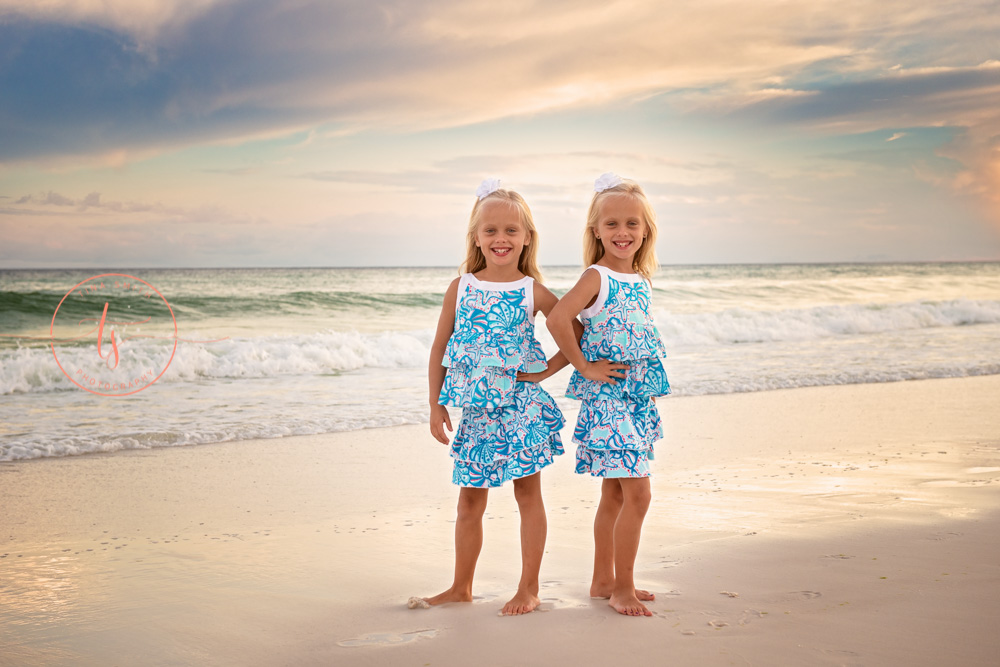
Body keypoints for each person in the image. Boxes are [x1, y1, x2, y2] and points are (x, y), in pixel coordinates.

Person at [419, 178, 576, 616]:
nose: (501, 239)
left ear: (527, 238)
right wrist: (436, 403)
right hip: (477, 415)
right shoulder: (461, 287)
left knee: (527, 495)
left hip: (522, 408)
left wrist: (546, 370)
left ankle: (529, 588)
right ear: (476, 236)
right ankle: (460, 586)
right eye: (491, 230)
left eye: (511, 231)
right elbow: (439, 347)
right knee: (470, 499)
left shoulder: (532, 291)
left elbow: (576, 333)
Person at [546, 172, 670, 617]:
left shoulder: (639, 279)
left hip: (635, 400)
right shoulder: (596, 277)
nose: (623, 232)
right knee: (639, 495)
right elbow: (559, 319)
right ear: (596, 231)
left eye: (632, 224)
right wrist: (582, 367)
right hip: (609, 400)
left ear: (645, 231)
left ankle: (604, 580)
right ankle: (623, 589)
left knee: (615, 495)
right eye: (612, 224)